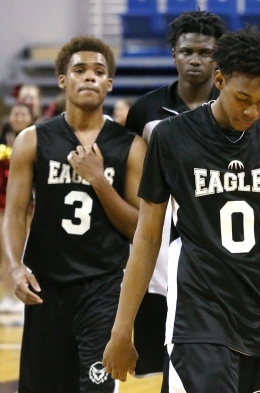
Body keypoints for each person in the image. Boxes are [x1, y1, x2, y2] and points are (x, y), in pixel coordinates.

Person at [102, 27, 260, 392]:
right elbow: (147, 236)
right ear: (220, 79)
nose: (252, 111)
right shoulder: (172, 136)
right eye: (243, 98)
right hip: (199, 312)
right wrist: (121, 327)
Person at [3, 35, 146, 393]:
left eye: (99, 72)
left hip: (104, 287)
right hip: (46, 287)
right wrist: (16, 266)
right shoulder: (33, 140)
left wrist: (99, 180)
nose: (90, 77)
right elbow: (16, 214)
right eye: (79, 70)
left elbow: (138, 227)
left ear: (109, 84)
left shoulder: (129, 146)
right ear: (63, 80)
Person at [123, 10, 226, 376]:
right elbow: (131, 178)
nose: (195, 59)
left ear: (218, 56)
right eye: (187, 52)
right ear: (174, 55)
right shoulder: (144, 111)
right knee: (162, 353)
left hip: (218, 233)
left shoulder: (234, 109)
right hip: (160, 233)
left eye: (204, 52)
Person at [0, 102, 34, 315]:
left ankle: (22, 296)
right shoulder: (2, 142)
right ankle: (5, 295)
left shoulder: (36, 141)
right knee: (6, 254)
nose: (19, 117)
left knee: (25, 254)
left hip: (29, 207)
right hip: (3, 205)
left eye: (24, 114)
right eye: (16, 114)